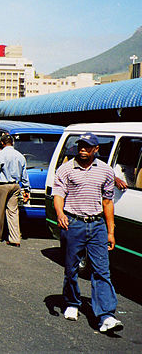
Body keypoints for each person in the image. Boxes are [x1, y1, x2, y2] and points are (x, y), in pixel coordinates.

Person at [53, 132, 123, 333]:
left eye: (87, 146)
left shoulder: (106, 171)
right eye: (80, 145)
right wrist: (60, 213)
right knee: (71, 268)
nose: (82, 149)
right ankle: (72, 303)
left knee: (102, 270)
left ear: (96, 149)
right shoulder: (66, 169)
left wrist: (111, 231)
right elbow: (58, 194)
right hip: (73, 223)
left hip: (97, 225)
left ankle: (106, 315)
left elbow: (108, 202)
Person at [0, 134, 30, 247]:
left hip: (3, 185)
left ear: (2, 144)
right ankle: (15, 238)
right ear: (12, 143)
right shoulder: (20, 156)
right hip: (15, 185)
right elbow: (24, 174)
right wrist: (26, 189)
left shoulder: (0, 155)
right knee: (13, 211)